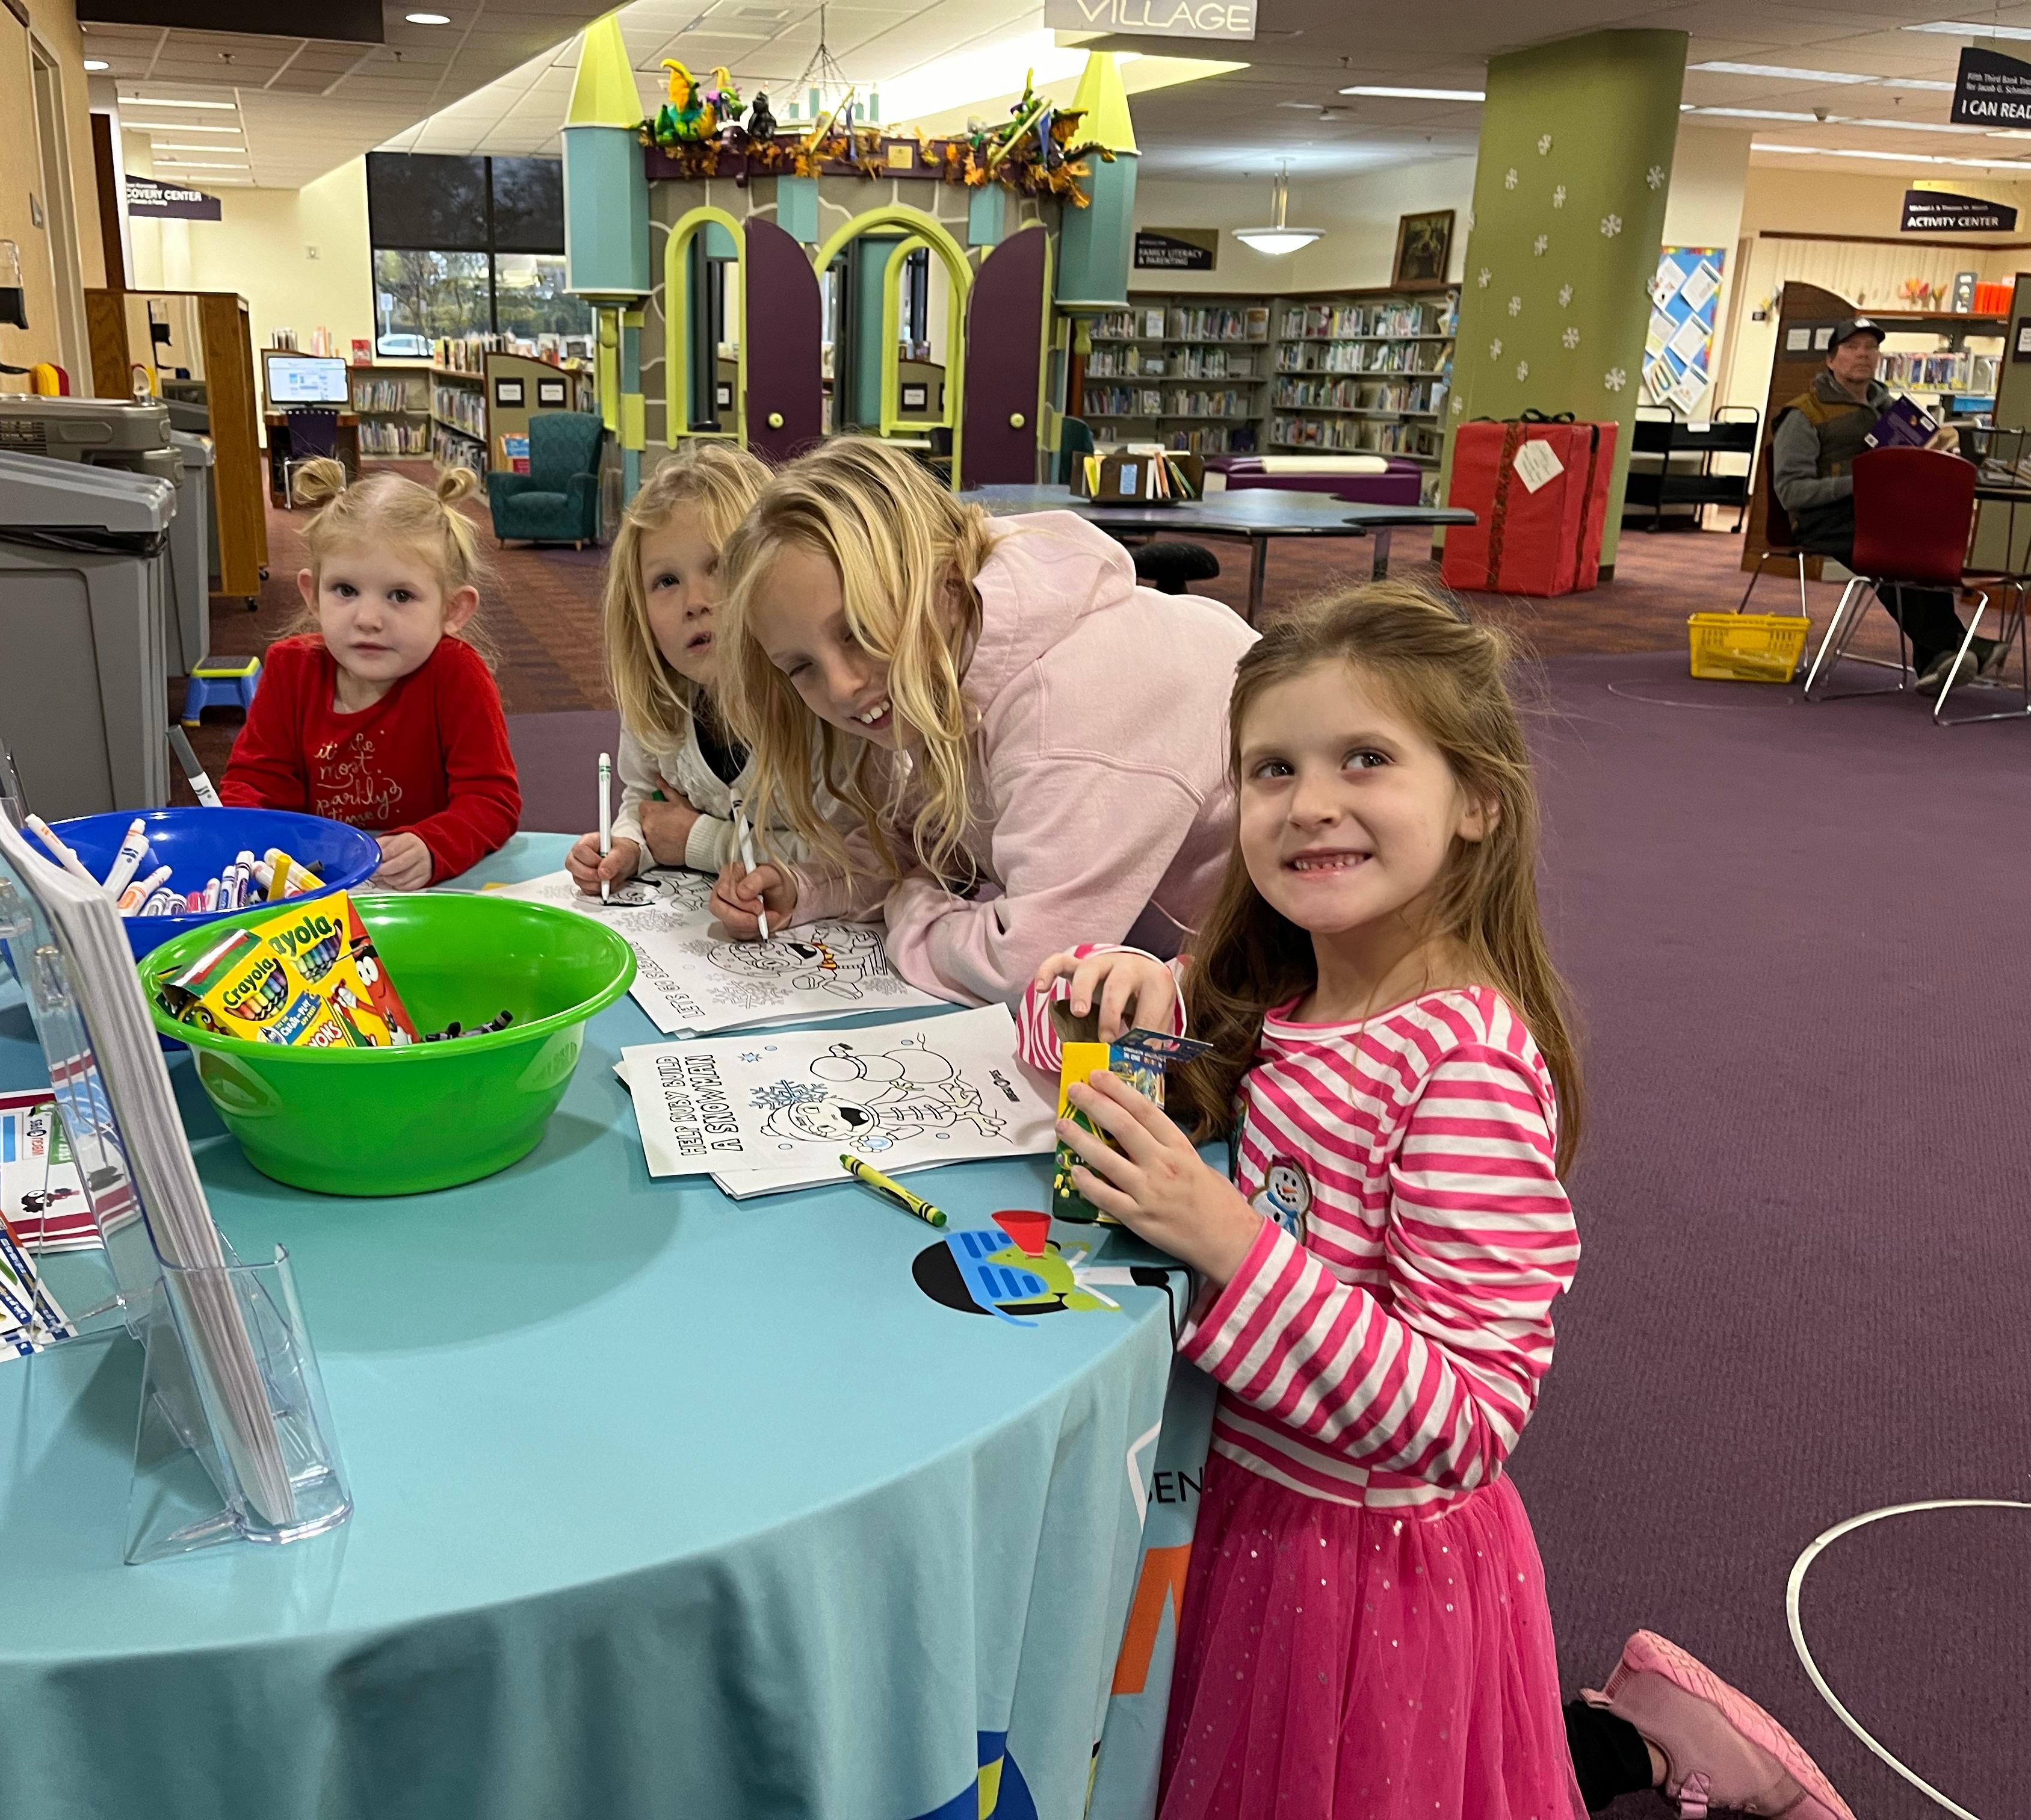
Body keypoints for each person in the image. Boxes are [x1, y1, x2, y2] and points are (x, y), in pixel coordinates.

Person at [1018, 583, 1856, 1820]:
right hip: (1232, 1503)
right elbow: (1050, 1038)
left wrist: (1228, 1243)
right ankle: (1627, 1736)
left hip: (1354, 1573)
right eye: (1271, 770)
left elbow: (1467, 1419)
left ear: (1477, 802)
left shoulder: (1459, 1069)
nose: (1310, 805)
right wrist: (1113, 983)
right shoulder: (1272, 984)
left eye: (1366, 759)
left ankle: (1658, 1750)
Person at [708, 436, 1258, 1005]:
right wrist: (808, 888)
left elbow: (1028, 972)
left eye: (861, 631)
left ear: (944, 579)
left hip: (1270, 979)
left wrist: (911, 902)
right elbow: (919, 835)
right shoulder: (939, 655)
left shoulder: (1060, 710)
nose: (842, 686)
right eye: (800, 667)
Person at [221, 459, 520, 888]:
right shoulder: (291, 668)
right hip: (314, 886)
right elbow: (255, 783)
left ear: (453, 610)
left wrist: (434, 846)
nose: (368, 619)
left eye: (400, 595)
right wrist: (258, 839)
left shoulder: (456, 674)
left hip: (422, 892)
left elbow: (491, 800)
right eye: (345, 590)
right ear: (313, 594)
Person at [564, 442, 838, 893]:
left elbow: (859, 855)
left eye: (721, 567)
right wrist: (628, 845)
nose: (695, 603)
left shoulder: (823, 706)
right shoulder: (659, 702)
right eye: (666, 581)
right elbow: (647, 804)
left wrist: (699, 841)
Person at [1773, 315, 1989, 696]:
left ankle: (1939, 659)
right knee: (1892, 555)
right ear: (1831, 359)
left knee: (1919, 547)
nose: (1863, 355)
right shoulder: (1803, 414)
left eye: (1870, 348)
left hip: (1880, 514)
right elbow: (1792, 493)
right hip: (1822, 519)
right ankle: (1957, 646)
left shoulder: (1890, 408)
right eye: (1852, 348)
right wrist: (1863, 482)